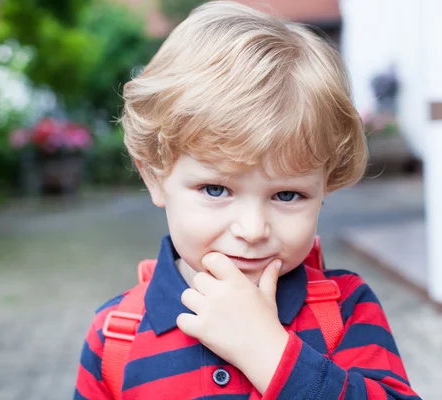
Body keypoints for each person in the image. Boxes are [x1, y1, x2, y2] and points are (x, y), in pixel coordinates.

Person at [74, 2, 420, 399]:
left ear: (326, 186)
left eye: (287, 194)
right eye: (216, 190)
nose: (253, 230)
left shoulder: (344, 311)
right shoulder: (115, 336)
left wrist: (267, 352)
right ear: (155, 176)